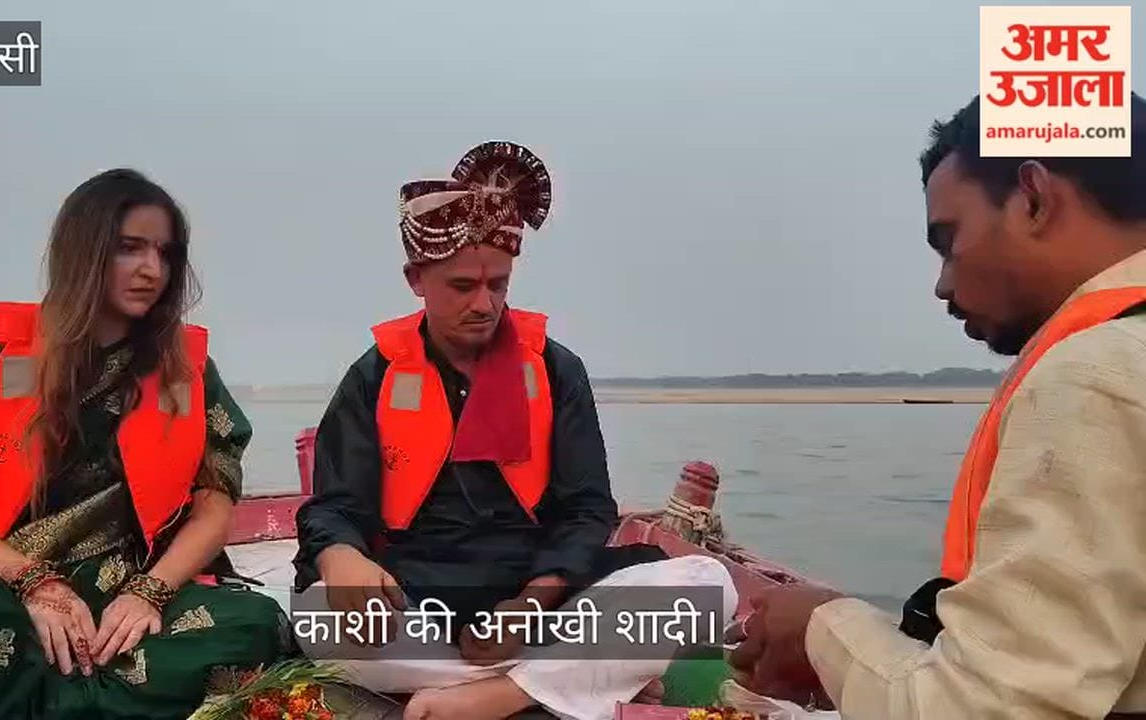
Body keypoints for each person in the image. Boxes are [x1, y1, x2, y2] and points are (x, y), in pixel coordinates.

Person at [731, 93, 1146, 718]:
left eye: (948, 242)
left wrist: (820, 626)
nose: (943, 285)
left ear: (1033, 196)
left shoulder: (1092, 377)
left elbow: (984, 708)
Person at [291, 141, 737, 720]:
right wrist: (342, 558)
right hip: (419, 594)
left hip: (540, 596)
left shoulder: (556, 370)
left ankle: (506, 693)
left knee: (708, 586)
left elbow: (586, 509)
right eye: (462, 286)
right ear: (416, 279)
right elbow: (334, 507)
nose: (485, 304)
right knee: (322, 620)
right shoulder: (372, 376)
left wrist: (531, 607)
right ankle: (577, 675)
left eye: (498, 285)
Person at [0, 169, 289, 720]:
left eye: (165, 253)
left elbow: (214, 508)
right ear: (82, 251)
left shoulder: (188, 371)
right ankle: (100, 704)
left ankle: (29, 704)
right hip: (5, 588)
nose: (151, 270)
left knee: (253, 622)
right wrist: (35, 583)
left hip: (127, 592)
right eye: (129, 249)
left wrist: (150, 592)